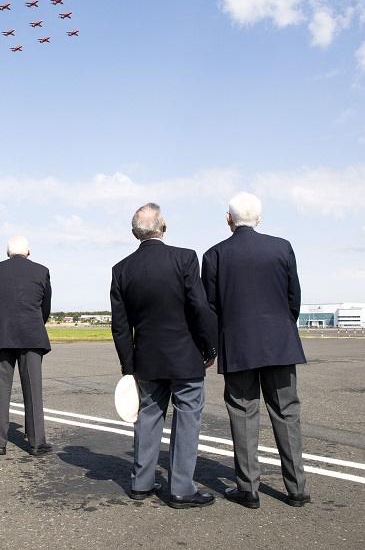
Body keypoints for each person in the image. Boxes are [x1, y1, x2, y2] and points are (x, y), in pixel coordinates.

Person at [201, 192, 311, 509]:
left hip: (238, 345)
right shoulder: (282, 248)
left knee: (243, 413)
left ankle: (248, 488)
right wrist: (281, 328)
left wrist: (213, 344)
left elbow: (210, 307)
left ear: (229, 219)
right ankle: (297, 488)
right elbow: (294, 299)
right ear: (259, 219)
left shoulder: (215, 255)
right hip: (280, 343)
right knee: (287, 413)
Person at [110, 203, 218, 508]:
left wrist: (128, 366)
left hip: (146, 359)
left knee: (147, 418)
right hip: (185, 357)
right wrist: (209, 347)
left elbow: (120, 325)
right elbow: (199, 307)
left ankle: (141, 483)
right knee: (187, 420)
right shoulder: (184, 258)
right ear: (164, 226)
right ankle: (181, 488)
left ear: (135, 234)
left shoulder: (121, 269)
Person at [0, 236, 52, 456]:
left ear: (7, 252)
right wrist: (35, 324)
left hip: (0, 336)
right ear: (29, 252)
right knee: (33, 390)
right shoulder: (41, 271)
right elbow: (46, 307)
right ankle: (36, 442)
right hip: (31, 336)